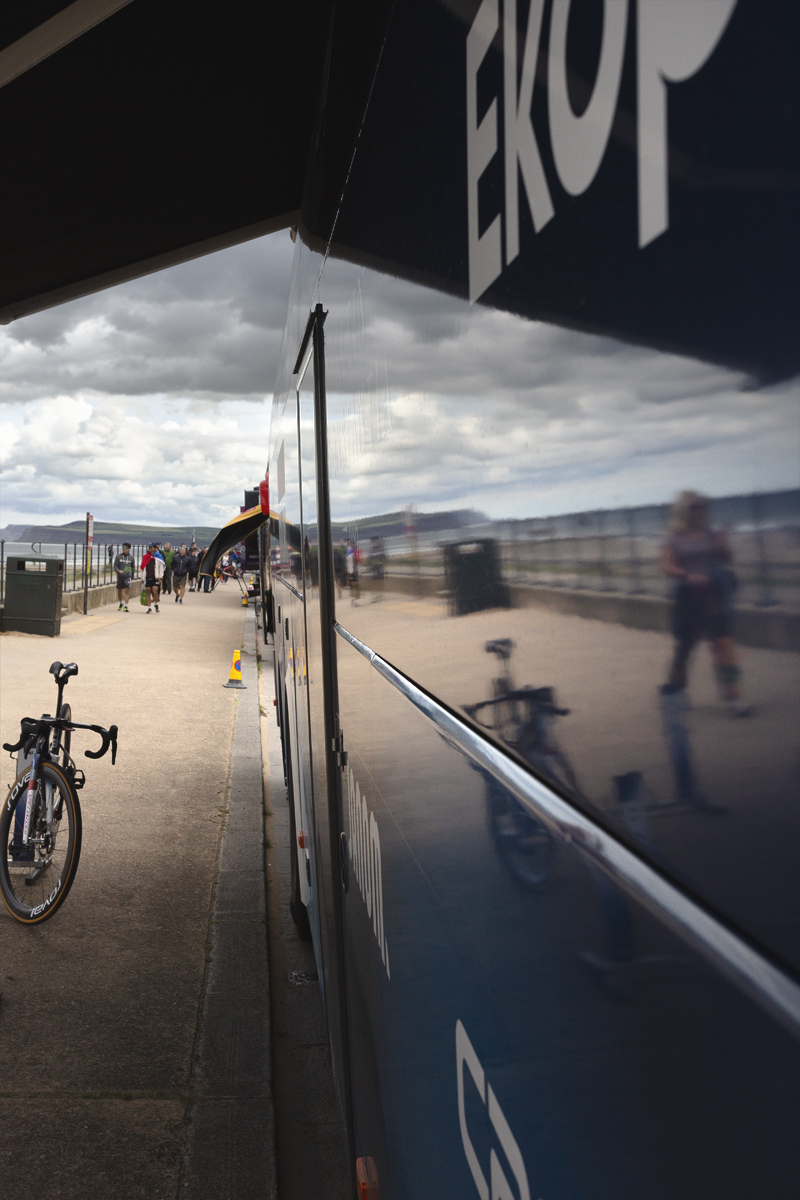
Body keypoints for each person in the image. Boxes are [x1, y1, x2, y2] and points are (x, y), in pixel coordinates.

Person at [660, 491, 750, 716]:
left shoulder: (710, 533)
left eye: (703, 507)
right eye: (695, 507)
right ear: (683, 511)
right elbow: (667, 566)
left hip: (713, 593)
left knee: (723, 643)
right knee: (686, 645)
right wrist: (687, 576)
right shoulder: (672, 538)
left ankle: (733, 696)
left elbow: (726, 558)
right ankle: (678, 691)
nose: (701, 511)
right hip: (687, 595)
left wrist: (723, 544)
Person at [140, 543, 165, 613]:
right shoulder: (145, 557)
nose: (150, 548)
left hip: (156, 577)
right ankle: (149, 607)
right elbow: (143, 567)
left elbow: (161, 567)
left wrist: (160, 577)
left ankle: (156, 603)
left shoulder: (158, 556)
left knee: (155, 591)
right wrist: (142, 578)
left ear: (155, 548)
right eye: (149, 547)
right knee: (148, 591)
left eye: (151, 547)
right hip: (148, 576)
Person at [113, 542, 135, 611]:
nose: (123, 549)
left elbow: (133, 567)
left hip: (127, 576)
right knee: (119, 591)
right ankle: (121, 602)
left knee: (127, 590)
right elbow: (115, 566)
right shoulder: (118, 556)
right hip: (120, 576)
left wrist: (132, 576)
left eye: (125, 548)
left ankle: (126, 605)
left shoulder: (131, 558)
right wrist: (118, 571)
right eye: (123, 548)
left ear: (129, 549)